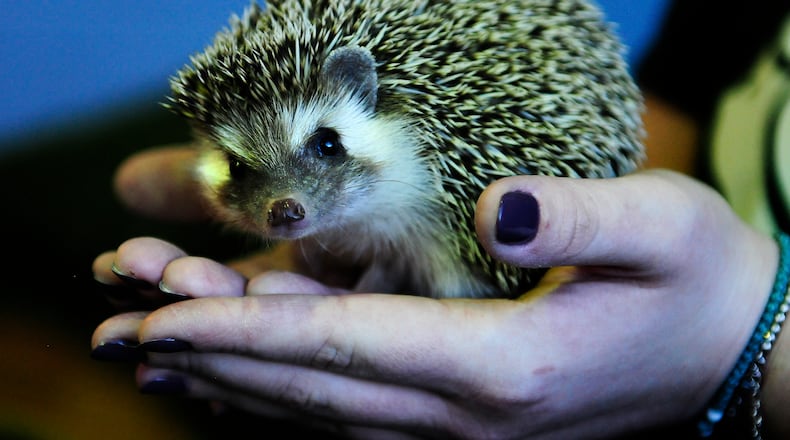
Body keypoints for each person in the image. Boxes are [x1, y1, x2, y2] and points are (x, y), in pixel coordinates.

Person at [90, 3, 790, 439]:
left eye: (325, 145)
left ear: (371, 99)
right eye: (245, 170)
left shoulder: (436, 172)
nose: (287, 202)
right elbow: (668, 108)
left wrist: (733, 329)